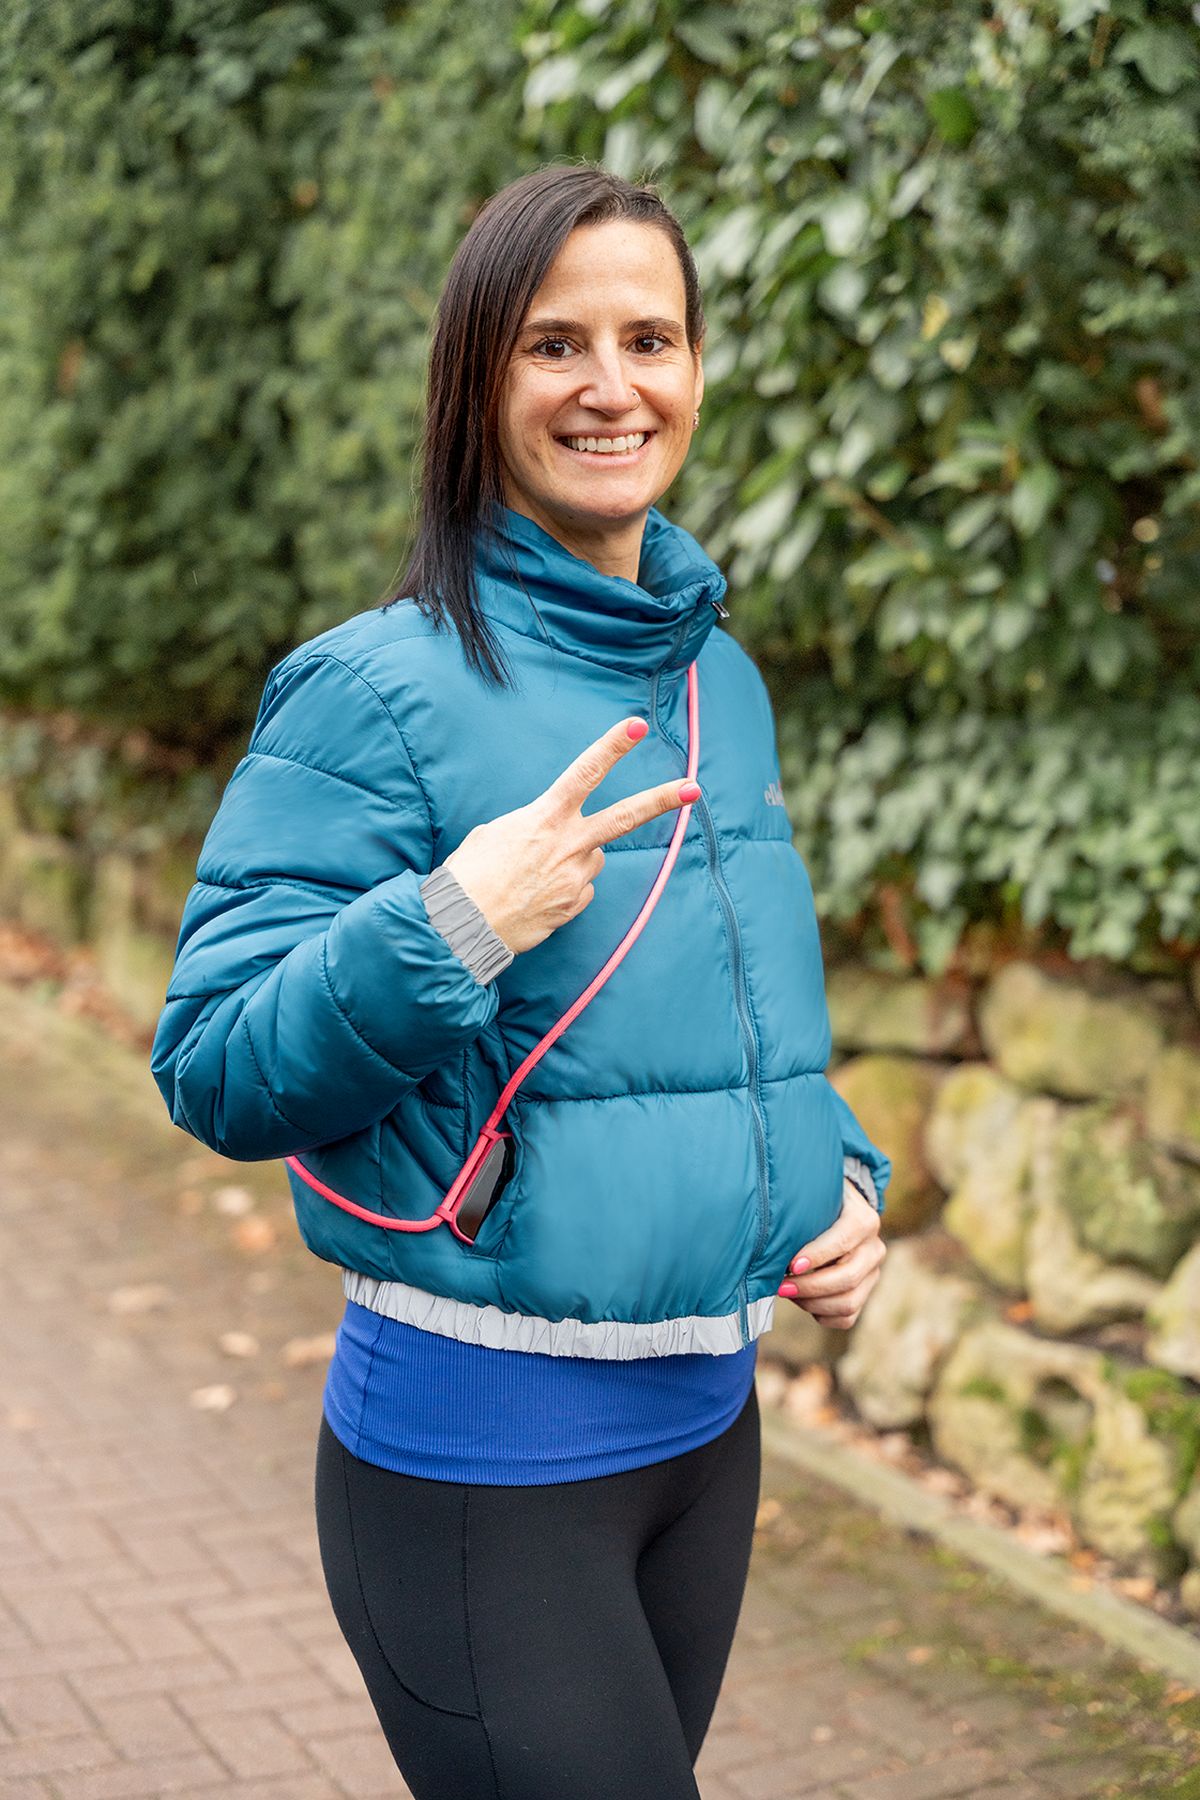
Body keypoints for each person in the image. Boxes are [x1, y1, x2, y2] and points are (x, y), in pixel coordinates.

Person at [151, 162, 892, 1800]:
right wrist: (457, 923)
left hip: (709, 1433)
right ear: (479, 379)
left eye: (653, 337)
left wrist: (835, 1178)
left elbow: (733, 1022)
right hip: (482, 1454)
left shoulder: (721, 679)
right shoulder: (370, 689)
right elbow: (212, 1066)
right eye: (557, 344)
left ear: (698, 368)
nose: (613, 385)